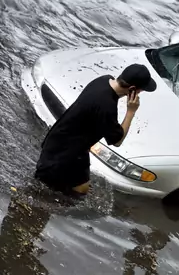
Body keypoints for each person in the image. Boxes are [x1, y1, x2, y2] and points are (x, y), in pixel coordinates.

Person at [34, 63, 157, 197]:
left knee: (81, 189)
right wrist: (131, 112)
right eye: (141, 90)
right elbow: (117, 141)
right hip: (62, 155)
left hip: (70, 146)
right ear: (132, 89)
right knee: (44, 193)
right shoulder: (106, 106)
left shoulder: (103, 80)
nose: (140, 93)